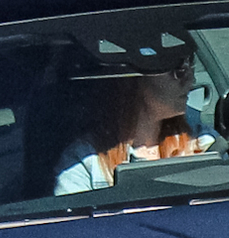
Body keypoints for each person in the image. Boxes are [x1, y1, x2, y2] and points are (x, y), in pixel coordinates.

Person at [52, 38, 220, 195]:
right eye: (178, 70)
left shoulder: (202, 143)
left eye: (191, 65)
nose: (191, 79)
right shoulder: (85, 161)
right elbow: (77, 225)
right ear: (133, 82)